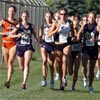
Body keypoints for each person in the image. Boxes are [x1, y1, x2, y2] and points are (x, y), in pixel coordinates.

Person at [9, 10, 37, 89]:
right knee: (22, 67)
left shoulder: (31, 26)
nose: (25, 18)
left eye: (26, 16)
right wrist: (18, 35)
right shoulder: (18, 26)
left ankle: (24, 83)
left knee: (27, 63)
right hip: (20, 46)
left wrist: (36, 38)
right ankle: (24, 73)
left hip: (28, 47)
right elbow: (10, 35)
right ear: (21, 17)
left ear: (28, 17)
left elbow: (34, 33)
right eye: (23, 16)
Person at [48, 8, 75, 91]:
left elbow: (73, 32)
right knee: (59, 63)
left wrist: (73, 37)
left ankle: (64, 77)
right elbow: (49, 34)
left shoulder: (69, 23)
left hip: (66, 44)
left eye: (64, 14)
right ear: (59, 15)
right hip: (57, 45)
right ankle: (61, 82)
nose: (63, 16)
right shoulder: (56, 23)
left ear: (67, 15)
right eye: (61, 14)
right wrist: (57, 29)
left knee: (64, 58)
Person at [77, 12, 98, 93]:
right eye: (90, 17)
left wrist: (96, 40)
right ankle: (84, 77)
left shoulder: (97, 27)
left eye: (93, 17)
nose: (91, 19)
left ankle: (90, 85)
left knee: (92, 69)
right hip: (85, 48)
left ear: (95, 18)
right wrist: (79, 41)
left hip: (94, 49)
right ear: (88, 18)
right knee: (84, 64)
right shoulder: (84, 26)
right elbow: (79, 33)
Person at [0, 5, 17, 88]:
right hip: (5, 44)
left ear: (15, 12)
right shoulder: (3, 21)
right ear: (8, 12)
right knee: (8, 63)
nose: (11, 13)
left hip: (13, 44)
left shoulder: (16, 22)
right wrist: (6, 33)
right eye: (10, 11)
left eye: (13, 11)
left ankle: (8, 81)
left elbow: (19, 31)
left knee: (10, 62)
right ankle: (11, 70)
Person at [39, 10, 55, 89]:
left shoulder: (54, 25)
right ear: (45, 17)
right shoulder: (43, 25)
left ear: (52, 17)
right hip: (45, 44)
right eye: (47, 16)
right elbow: (40, 35)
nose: (48, 18)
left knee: (51, 64)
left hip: (52, 45)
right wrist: (39, 38)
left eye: (50, 16)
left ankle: (52, 79)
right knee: (44, 60)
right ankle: (44, 79)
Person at [68, 20, 81, 90]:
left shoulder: (80, 33)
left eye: (76, 25)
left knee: (76, 71)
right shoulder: (69, 33)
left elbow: (82, 42)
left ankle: (73, 86)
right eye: (74, 25)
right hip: (70, 54)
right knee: (70, 72)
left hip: (78, 53)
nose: (75, 26)